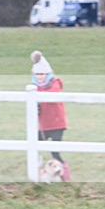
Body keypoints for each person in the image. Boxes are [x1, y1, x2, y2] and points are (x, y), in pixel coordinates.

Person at [30, 51, 71, 181]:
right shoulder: (33, 87)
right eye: (37, 74)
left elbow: (53, 95)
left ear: (47, 74)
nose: (40, 77)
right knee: (33, 146)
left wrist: (39, 100)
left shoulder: (55, 83)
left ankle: (65, 175)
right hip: (43, 125)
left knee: (55, 152)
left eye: (42, 74)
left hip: (57, 124)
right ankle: (40, 174)